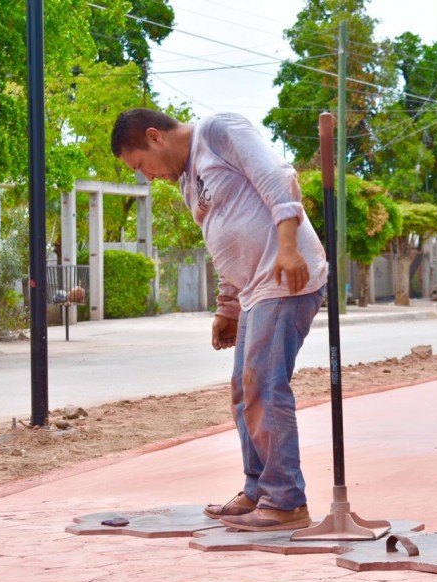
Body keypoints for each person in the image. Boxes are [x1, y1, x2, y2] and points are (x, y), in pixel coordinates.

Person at [110, 109, 327, 531]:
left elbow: (280, 178)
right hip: (253, 292)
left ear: (155, 138)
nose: (148, 177)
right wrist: (227, 307)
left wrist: (287, 247)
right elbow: (225, 243)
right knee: (243, 391)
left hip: (285, 277)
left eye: (142, 166)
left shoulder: (218, 131)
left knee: (264, 385)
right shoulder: (190, 182)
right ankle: (258, 489)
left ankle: (285, 501)